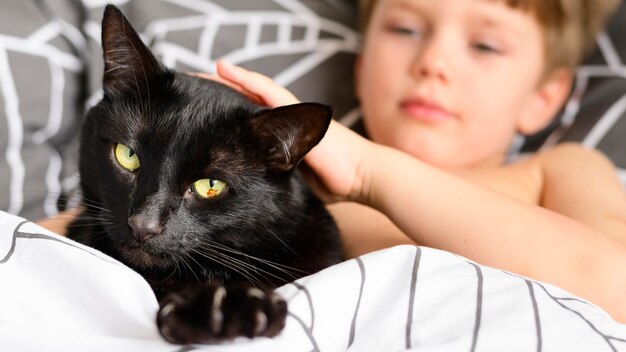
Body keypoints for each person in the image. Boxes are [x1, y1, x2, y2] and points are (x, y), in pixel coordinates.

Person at [39, 0, 626, 321]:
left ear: (547, 95)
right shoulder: (273, 194)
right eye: (406, 27)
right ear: (362, 64)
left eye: (485, 44)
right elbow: (47, 250)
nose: (434, 63)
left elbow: (614, 288)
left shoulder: (557, 170)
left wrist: (370, 170)